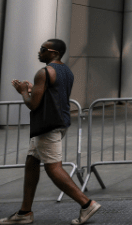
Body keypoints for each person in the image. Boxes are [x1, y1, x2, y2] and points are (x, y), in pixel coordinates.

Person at [2, 39, 101, 225]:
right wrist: (33, 89)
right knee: (32, 162)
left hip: (47, 126)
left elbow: (33, 104)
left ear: (54, 52)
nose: (39, 52)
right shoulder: (66, 71)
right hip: (59, 122)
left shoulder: (44, 72)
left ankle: (87, 204)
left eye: (43, 49)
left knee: (53, 168)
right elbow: (54, 94)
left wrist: (24, 92)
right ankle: (25, 212)